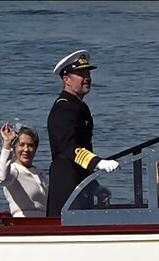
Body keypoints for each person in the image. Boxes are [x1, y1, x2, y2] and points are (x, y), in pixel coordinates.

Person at [46, 49, 119, 216]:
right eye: (80, 73)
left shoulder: (78, 106)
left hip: (80, 181)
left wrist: (94, 184)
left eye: (87, 72)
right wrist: (97, 163)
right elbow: (68, 146)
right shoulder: (63, 108)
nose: (87, 77)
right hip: (67, 181)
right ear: (66, 79)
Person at [0, 122, 48, 217]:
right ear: (15, 147)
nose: (26, 149)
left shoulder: (40, 173)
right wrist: (7, 144)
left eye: (30, 145)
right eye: (21, 145)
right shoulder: (13, 171)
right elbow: (2, 178)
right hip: (22, 224)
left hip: (44, 223)